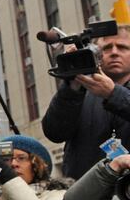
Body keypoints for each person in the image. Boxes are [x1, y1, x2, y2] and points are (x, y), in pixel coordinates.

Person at [42, 26, 130, 179]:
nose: (114, 52)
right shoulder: (79, 92)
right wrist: (71, 86)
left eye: (122, 47)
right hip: (87, 194)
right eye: (107, 48)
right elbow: (54, 132)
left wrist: (113, 93)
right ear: (96, 54)